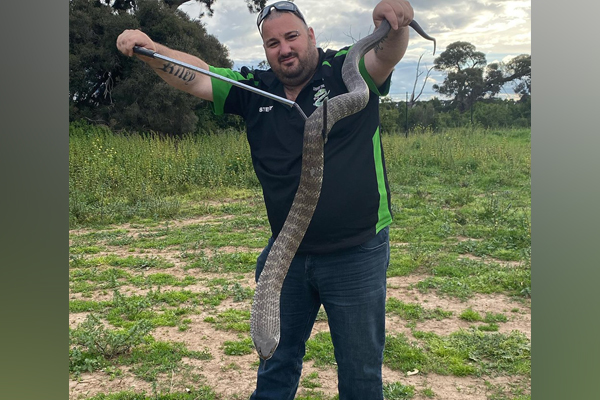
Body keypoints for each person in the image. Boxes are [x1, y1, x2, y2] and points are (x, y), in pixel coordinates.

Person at [117, 1, 414, 399]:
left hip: (356, 253)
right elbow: (195, 77)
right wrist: (152, 48)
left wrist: (395, 23)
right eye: (272, 42)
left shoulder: (346, 69)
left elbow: (387, 54)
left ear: (309, 36)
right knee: (275, 366)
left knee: (361, 376)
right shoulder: (252, 87)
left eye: (292, 36)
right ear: (265, 49)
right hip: (285, 255)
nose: (284, 48)